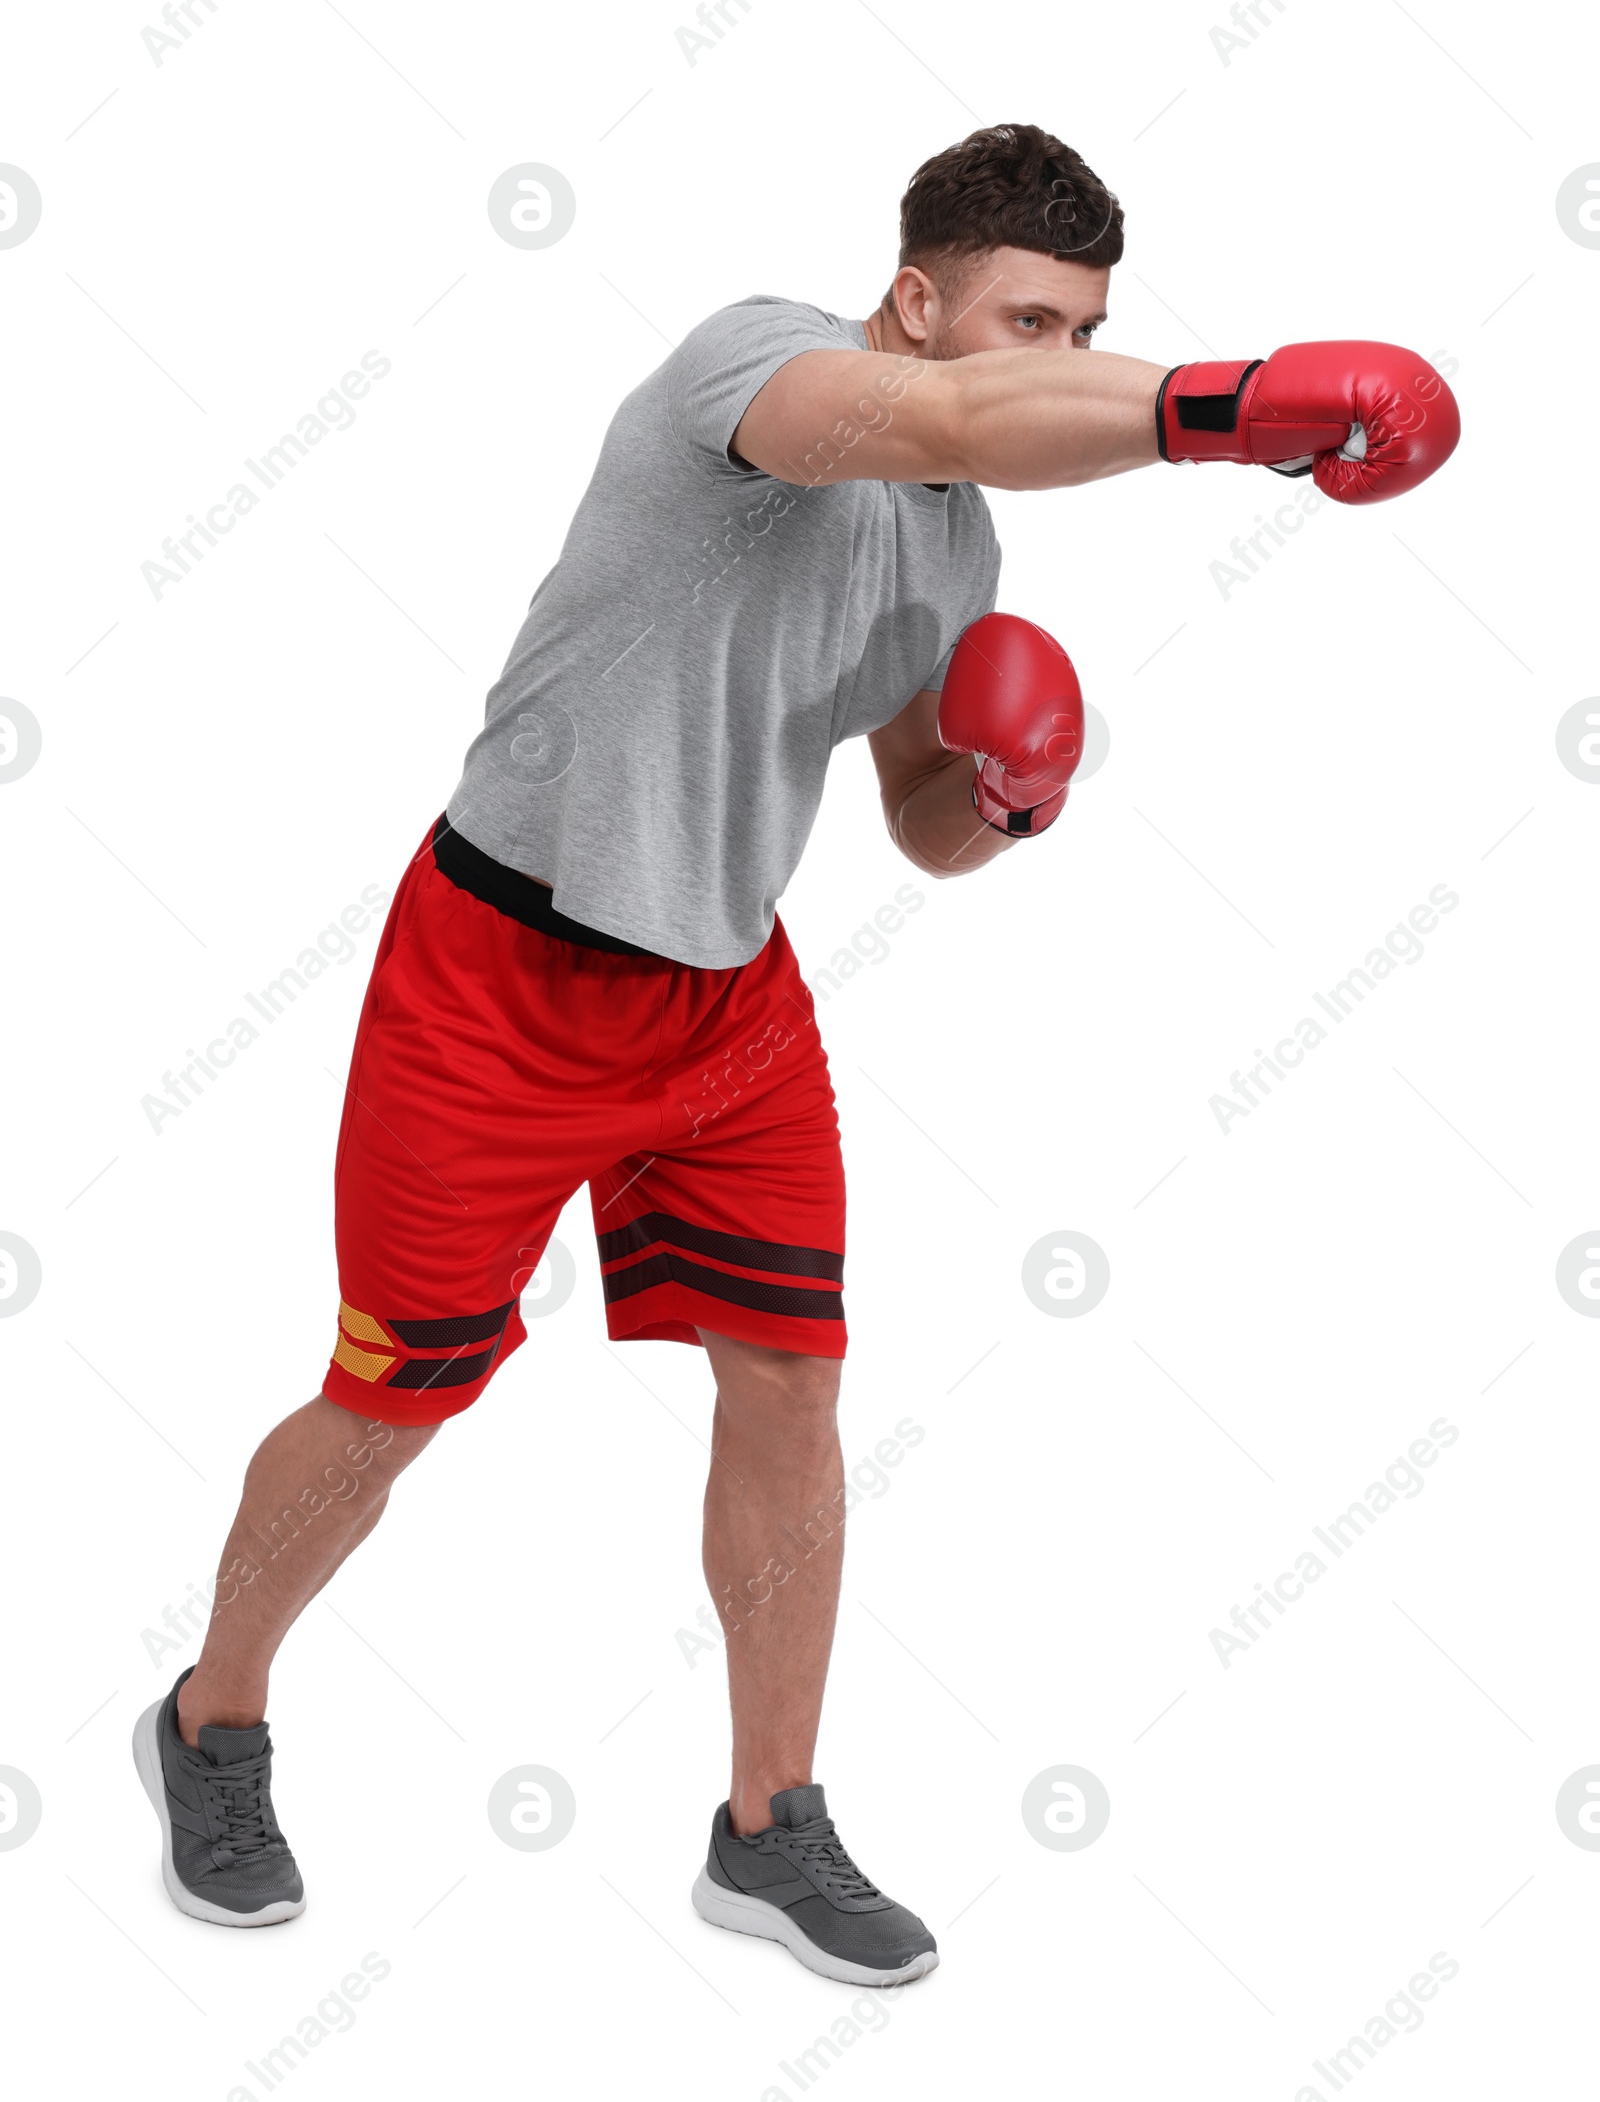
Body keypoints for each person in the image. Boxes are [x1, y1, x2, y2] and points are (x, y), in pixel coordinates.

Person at [132, 122, 1458, 1985]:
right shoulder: (750, 374)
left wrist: (1009, 797)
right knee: (395, 1408)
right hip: (498, 981)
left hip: (728, 1011)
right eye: (1024, 323)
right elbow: (968, 422)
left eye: (1086, 333)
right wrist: (1231, 408)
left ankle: (771, 1828)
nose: (1053, 365)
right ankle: (213, 1724)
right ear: (918, 298)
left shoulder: (957, 544)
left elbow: (914, 812)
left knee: (794, 1394)